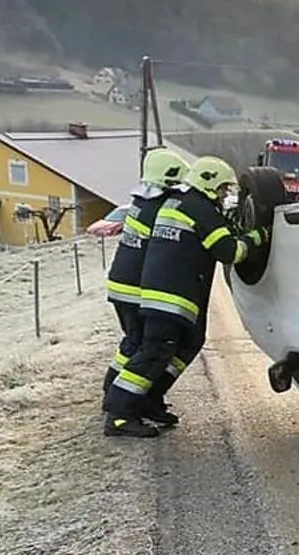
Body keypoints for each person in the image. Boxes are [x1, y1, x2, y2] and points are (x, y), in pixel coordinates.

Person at [102, 156, 266, 438]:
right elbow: (231, 252)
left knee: (184, 344)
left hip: (164, 294)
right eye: (223, 189)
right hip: (169, 297)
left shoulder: (176, 203)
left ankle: (148, 399)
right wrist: (258, 235)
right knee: (154, 351)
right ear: (208, 183)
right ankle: (119, 413)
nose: (225, 195)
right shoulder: (199, 209)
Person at [102, 147, 190, 426]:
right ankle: (122, 406)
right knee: (148, 349)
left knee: (132, 343)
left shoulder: (140, 202)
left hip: (121, 285)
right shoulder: (161, 208)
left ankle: (116, 391)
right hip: (136, 289)